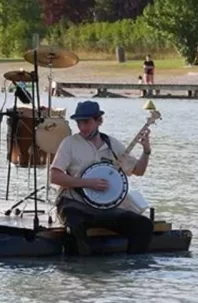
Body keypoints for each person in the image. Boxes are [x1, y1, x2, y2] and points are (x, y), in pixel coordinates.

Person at [50, 101, 154, 256]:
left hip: (104, 208)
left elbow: (138, 171)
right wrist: (88, 183)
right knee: (74, 226)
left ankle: (132, 270)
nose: (82, 127)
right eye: (79, 123)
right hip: (74, 204)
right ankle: (82, 271)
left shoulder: (112, 144)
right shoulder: (69, 143)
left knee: (143, 225)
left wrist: (146, 151)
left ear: (99, 121)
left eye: (87, 122)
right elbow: (55, 176)